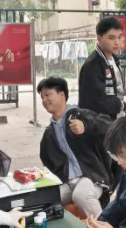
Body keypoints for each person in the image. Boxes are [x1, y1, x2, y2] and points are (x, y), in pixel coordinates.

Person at [38, 77, 114, 218]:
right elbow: (46, 160)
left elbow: (110, 126)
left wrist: (86, 126)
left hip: (90, 177)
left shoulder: (81, 115)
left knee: (81, 196)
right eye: (42, 97)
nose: (44, 100)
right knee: (41, 200)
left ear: (62, 94)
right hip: (66, 182)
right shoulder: (49, 132)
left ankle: (106, 227)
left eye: (48, 95)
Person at [78, 16, 126, 120]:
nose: (117, 42)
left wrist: (123, 105)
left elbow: (113, 90)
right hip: (99, 123)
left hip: (114, 118)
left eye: (119, 37)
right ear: (99, 38)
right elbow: (97, 101)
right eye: (111, 38)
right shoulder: (92, 65)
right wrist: (124, 105)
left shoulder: (114, 59)